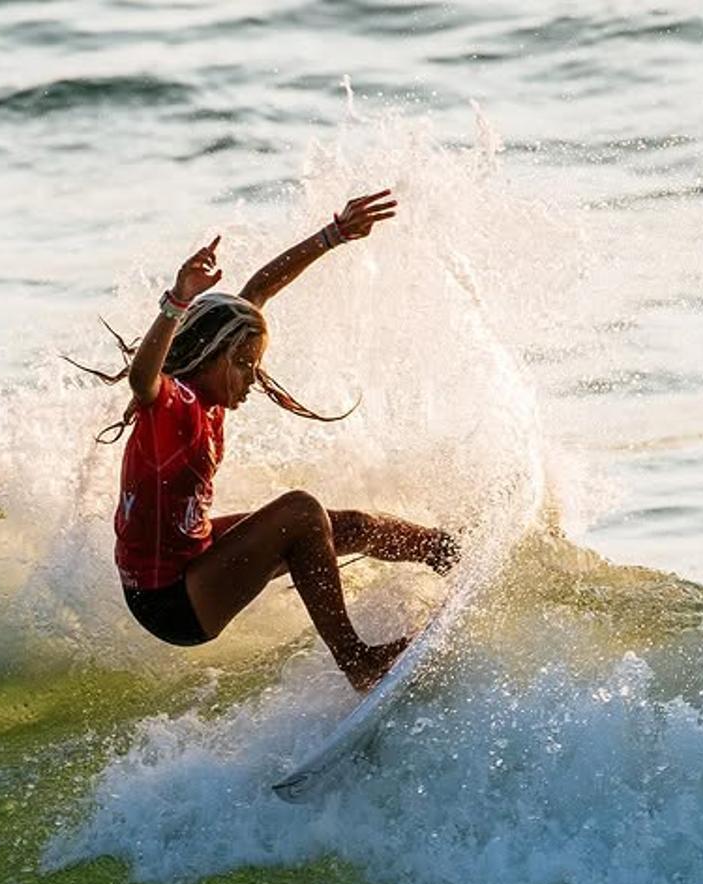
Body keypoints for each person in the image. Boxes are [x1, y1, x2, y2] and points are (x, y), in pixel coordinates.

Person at [78, 190, 458, 691]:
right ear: (211, 356)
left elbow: (256, 290)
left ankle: (445, 552)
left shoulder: (210, 397)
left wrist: (334, 234)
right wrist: (177, 301)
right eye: (243, 365)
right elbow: (142, 378)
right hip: (169, 598)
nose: (252, 380)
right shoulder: (171, 403)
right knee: (300, 510)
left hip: (193, 555)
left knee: (336, 525)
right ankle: (356, 659)